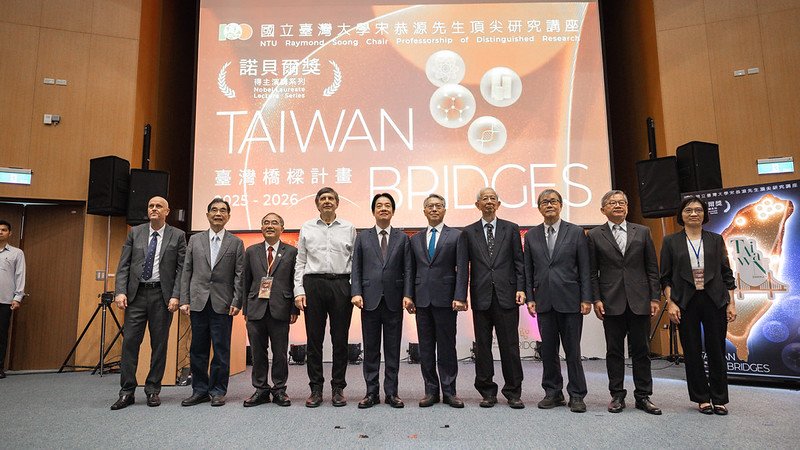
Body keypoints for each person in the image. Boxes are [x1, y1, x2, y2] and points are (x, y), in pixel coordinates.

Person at [587, 190, 662, 415]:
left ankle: (643, 396)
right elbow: (592, 272)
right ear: (603, 210)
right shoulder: (594, 235)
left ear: (627, 207)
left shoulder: (643, 231)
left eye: (622, 202)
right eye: (612, 203)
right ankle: (617, 395)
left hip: (640, 300)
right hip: (611, 301)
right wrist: (596, 299)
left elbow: (652, 267)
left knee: (642, 350)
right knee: (614, 351)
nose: (618, 205)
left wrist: (655, 297)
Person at [660, 196, 737, 415]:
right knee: (692, 351)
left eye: (698, 210)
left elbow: (726, 273)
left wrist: (731, 303)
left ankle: (719, 398)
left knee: (716, 350)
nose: (693, 214)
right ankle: (702, 398)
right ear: (681, 215)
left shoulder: (716, 239)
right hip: (685, 301)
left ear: (704, 214)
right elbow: (665, 277)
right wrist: (671, 303)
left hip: (714, 300)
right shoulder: (670, 241)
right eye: (688, 210)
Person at [110, 197, 186, 409]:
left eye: (158, 206)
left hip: (162, 296)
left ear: (167, 211)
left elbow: (181, 269)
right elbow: (124, 265)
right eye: (151, 206)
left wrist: (176, 295)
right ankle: (127, 391)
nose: (154, 209)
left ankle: (153, 389)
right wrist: (120, 291)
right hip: (136, 296)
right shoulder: (135, 232)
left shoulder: (178, 235)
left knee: (159, 345)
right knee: (129, 343)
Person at [524, 189, 592, 413]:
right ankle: (553, 392)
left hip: (571, 300)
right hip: (544, 301)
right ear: (539, 208)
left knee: (573, 351)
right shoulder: (531, 235)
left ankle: (577, 394)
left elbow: (585, 268)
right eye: (545, 202)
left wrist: (586, 297)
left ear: (561, 205)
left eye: (553, 201)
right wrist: (530, 297)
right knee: (548, 351)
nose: (549, 205)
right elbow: (528, 270)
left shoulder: (576, 232)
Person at [459, 187, 526, 409]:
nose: (489, 201)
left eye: (492, 198)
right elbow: (463, 267)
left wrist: (521, 288)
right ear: (477, 205)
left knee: (510, 346)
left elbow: (519, 262)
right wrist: (461, 296)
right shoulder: (468, 232)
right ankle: (487, 391)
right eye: (484, 198)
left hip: (507, 296)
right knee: (483, 347)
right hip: (481, 296)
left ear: (498, 204)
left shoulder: (511, 228)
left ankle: (513, 392)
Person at [294, 187, 357, 407]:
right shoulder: (307, 227)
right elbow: (300, 261)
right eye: (323, 198)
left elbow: (355, 262)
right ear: (317, 203)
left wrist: (354, 290)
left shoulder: (349, 228)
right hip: (314, 285)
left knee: (340, 340)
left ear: (337, 203)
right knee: (314, 340)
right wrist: (299, 290)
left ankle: (338, 388)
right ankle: (316, 389)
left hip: (341, 284)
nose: (327, 201)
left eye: (331, 198)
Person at [180, 198, 245, 407]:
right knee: (197, 348)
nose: (218, 213)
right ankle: (199, 390)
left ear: (228, 216)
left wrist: (237, 300)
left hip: (223, 303)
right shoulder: (195, 240)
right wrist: (184, 299)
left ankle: (218, 390)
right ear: (207, 215)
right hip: (198, 301)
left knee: (221, 349)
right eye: (214, 210)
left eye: (223, 210)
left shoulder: (236, 243)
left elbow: (240, 275)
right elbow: (187, 271)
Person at [351, 193, 413, 409]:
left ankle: (392, 393)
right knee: (371, 349)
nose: (383, 208)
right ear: (373, 211)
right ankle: (371, 392)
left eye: (387, 205)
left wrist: (408, 294)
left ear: (393, 211)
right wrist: (356, 292)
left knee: (393, 349)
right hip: (369, 300)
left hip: (394, 300)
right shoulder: (363, 237)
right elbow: (356, 267)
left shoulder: (402, 238)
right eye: (379, 205)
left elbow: (408, 269)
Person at [408, 194, 468, 408]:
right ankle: (431, 391)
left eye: (438, 206)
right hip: (422, 300)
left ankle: (450, 391)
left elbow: (462, 269)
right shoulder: (415, 239)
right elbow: (410, 270)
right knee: (425, 348)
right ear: (424, 211)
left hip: (446, 300)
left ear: (444, 210)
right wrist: (409, 296)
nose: (434, 209)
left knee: (447, 347)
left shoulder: (457, 236)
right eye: (430, 206)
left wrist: (460, 296)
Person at [241, 213, 298, 407]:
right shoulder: (251, 251)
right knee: (258, 352)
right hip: (255, 308)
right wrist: (245, 309)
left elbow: (294, 281)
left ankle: (279, 389)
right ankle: (261, 389)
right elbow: (245, 282)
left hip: (281, 308)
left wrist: (294, 309)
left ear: (282, 228)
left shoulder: (292, 252)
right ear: (261, 228)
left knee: (280, 352)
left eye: (274, 223)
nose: (270, 226)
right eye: (266, 222)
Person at [0, 220, 25, 380]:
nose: (0, 232)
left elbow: (20, 275)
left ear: (10, 233)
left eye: (3, 230)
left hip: (5, 300)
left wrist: (18, 297)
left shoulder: (17, 253)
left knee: (1, 335)